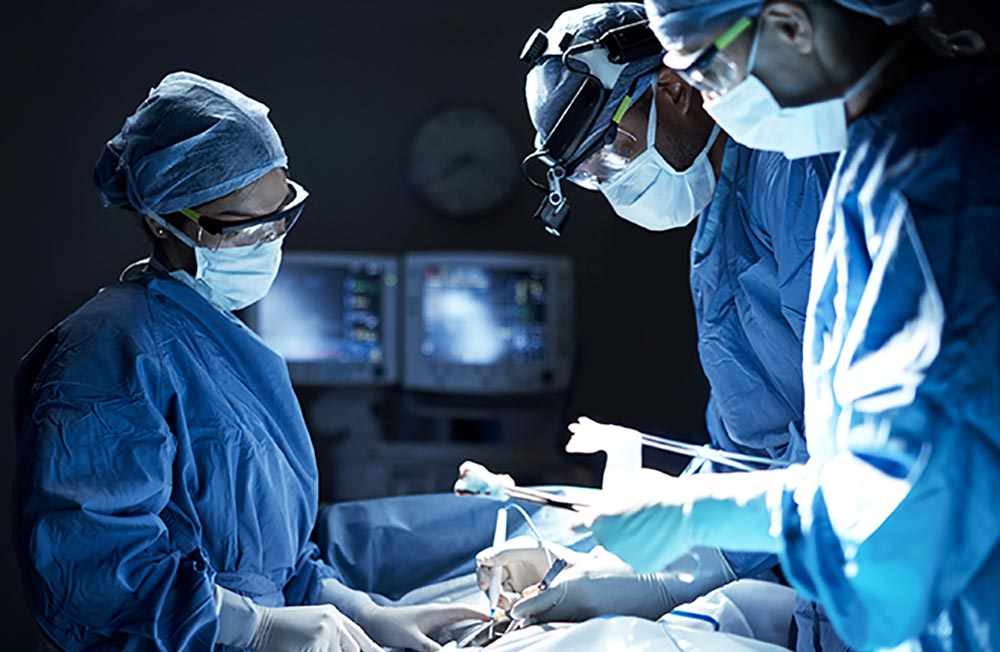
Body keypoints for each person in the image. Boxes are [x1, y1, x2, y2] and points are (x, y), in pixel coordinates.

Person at [577, 1, 1000, 649]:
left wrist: (697, 517)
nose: (704, 98)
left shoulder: (946, 176)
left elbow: (914, 502)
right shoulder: (877, 159)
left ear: (790, 25)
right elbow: (814, 440)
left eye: (707, 69)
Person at [12, 71, 484, 652]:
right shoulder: (106, 356)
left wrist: (360, 613)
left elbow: (280, 562)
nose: (269, 241)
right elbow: (97, 574)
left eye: (281, 215)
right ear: (163, 221)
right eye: (241, 228)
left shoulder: (227, 345)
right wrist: (255, 628)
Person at [477, 4, 846, 648]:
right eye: (591, 179)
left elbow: (848, 443)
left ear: (674, 90)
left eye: (610, 158)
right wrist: (632, 567)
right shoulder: (720, 219)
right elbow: (748, 448)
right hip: (822, 557)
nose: (611, 186)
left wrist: (687, 545)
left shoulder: (796, 176)